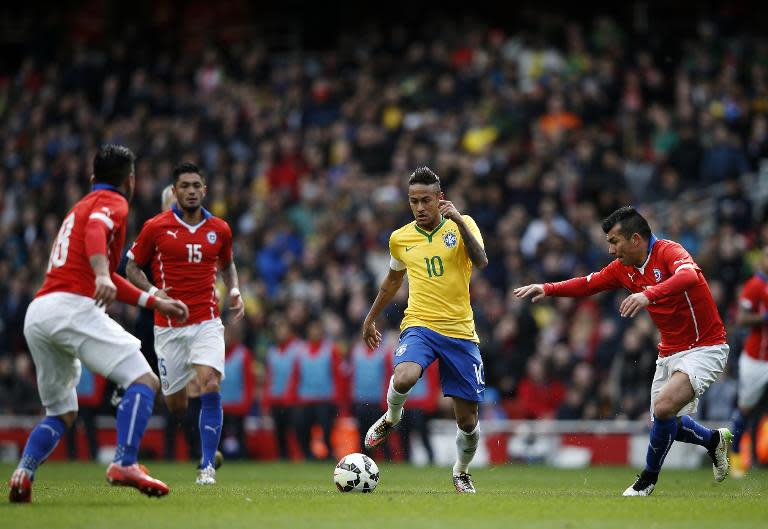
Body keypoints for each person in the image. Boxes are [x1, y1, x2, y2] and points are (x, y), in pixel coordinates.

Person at [8, 145, 189, 503]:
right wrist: (103, 273)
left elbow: (108, 273)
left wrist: (155, 301)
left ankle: (23, 474)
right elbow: (96, 232)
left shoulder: (79, 205)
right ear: (131, 180)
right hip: (71, 308)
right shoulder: (114, 203)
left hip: (40, 312)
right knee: (144, 379)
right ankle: (125, 462)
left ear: (92, 179)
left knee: (63, 412)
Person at [514, 205, 732, 496]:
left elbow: (690, 276)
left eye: (614, 242)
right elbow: (588, 284)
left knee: (663, 407)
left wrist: (647, 294)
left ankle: (647, 481)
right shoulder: (622, 269)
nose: (610, 250)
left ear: (635, 240)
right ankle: (713, 441)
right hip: (669, 351)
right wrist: (549, 288)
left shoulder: (668, 252)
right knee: (666, 421)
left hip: (706, 346)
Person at [361, 166, 488, 493]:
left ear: (440, 199)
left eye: (426, 200)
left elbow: (482, 261)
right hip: (420, 324)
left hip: (460, 332)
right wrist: (370, 318)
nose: (419, 207)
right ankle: (391, 417)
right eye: (413, 201)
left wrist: (458, 220)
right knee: (404, 376)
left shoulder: (463, 225)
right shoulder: (400, 238)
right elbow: (392, 281)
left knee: (468, 422)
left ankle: (461, 470)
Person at [125, 162, 244, 485]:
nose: (191, 191)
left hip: (207, 321)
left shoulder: (219, 228)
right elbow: (131, 266)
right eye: (185, 186)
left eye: (196, 185)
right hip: (168, 327)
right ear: (175, 191)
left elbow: (228, 264)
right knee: (176, 402)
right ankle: (195, 431)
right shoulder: (156, 227)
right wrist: (153, 293)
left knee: (210, 383)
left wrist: (233, 289)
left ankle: (207, 465)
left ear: (204, 190)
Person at [730, 245, 768, 477]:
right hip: (756, 360)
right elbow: (741, 318)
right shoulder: (755, 285)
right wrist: (764, 317)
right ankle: (735, 457)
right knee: (745, 409)